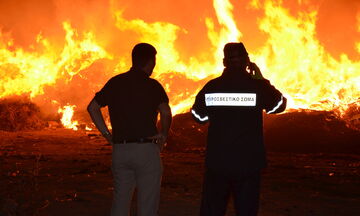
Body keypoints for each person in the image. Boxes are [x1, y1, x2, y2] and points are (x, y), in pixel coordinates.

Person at [191, 42, 287, 216]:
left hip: (217, 163)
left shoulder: (212, 87)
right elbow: (279, 106)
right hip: (248, 164)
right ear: (247, 61)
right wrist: (262, 80)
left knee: (212, 211)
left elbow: (198, 117)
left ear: (224, 62)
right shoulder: (257, 86)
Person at [87, 43, 172, 216]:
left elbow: (92, 107)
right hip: (146, 150)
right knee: (147, 204)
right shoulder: (153, 85)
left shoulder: (115, 82)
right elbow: (165, 112)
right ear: (151, 61)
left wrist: (107, 135)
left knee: (120, 202)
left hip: (121, 150)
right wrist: (163, 134)